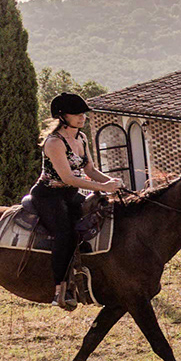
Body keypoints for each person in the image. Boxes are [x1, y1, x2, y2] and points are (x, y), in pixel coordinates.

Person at [33, 93, 125, 309]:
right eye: (76, 114)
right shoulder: (54, 143)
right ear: (62, 116)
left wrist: (111, 182)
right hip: (48, 195)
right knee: (65, 233)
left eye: (83, 113)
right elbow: (68, 178)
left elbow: (90, 170)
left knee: (96, 220)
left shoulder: (81, 138)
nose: (82, 117)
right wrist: (103, 188)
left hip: (70, 194)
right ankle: (59, 290)